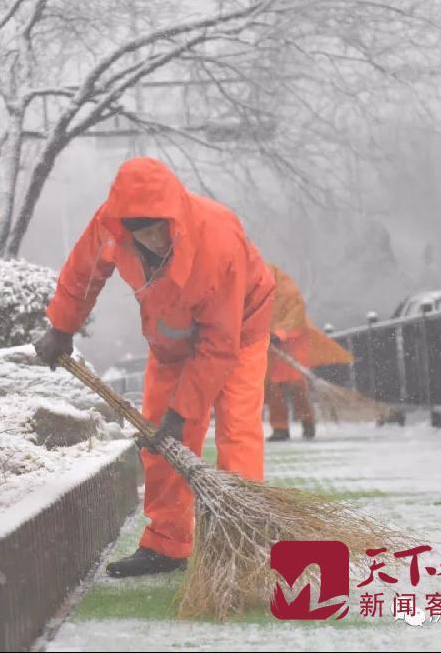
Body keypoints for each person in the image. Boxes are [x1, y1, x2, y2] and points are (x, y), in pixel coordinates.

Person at [34, 157, 275, 577]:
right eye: (142, 231)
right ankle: (168, 544)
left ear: (175, 215)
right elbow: (83, 273)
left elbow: (219, 346)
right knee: (159, 439)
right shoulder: (111, 227)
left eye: (159, 227)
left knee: (237, 432)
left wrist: (185, 412)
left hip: (239, 327)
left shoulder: (217, 241)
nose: (153, 239)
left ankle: (242, 543)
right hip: (171, 339)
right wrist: (62, 327)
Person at [265, 264, 352, 442]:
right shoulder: (264, 294)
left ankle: (307, 421)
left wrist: (280, 334)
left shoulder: (289, 293)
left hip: (293, 345)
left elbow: (295, 318)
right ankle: (280, 427)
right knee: (275, 388)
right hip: (274, 348)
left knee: (296, 385)